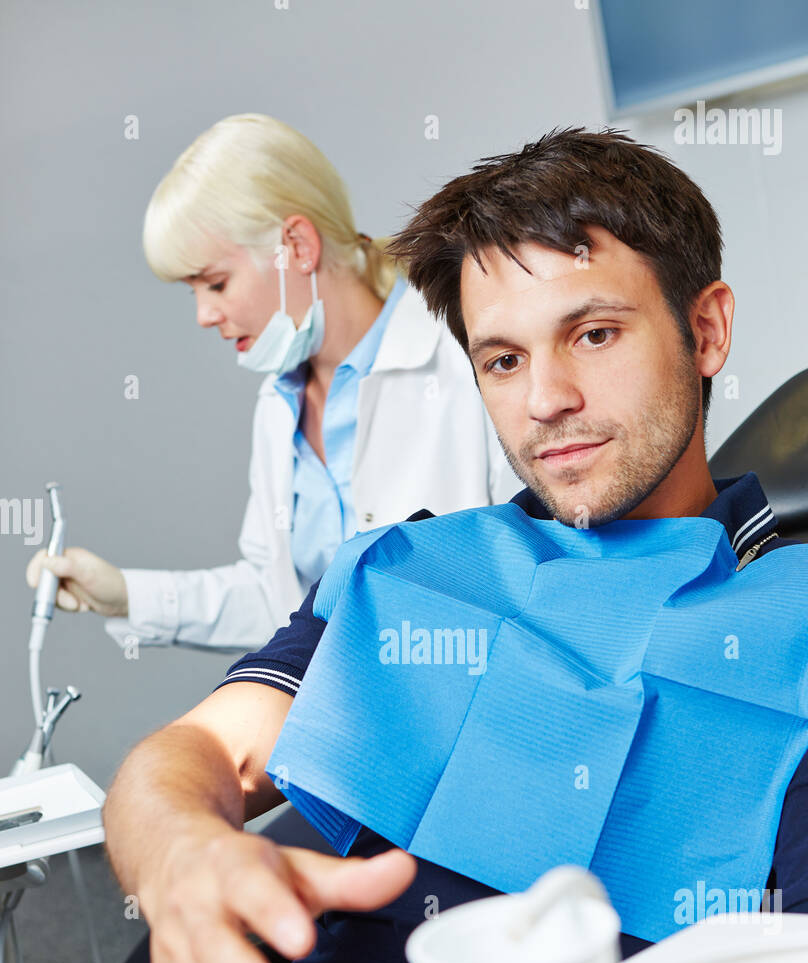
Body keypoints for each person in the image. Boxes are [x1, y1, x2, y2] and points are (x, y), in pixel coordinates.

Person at [2, 127, 808, 963]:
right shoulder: (407, 568)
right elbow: (192, 754)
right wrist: (185, 848)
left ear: (704, 329)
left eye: (594, 334)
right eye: (501, 361)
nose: (547, 400)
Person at [24, 113, 512, 653]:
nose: (204, 315)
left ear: (297, 246)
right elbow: (277, 600)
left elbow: (535, 566)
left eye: (215, 282)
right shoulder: (280, 404)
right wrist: (126, 596)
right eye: (193, 291)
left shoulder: (464, 355)